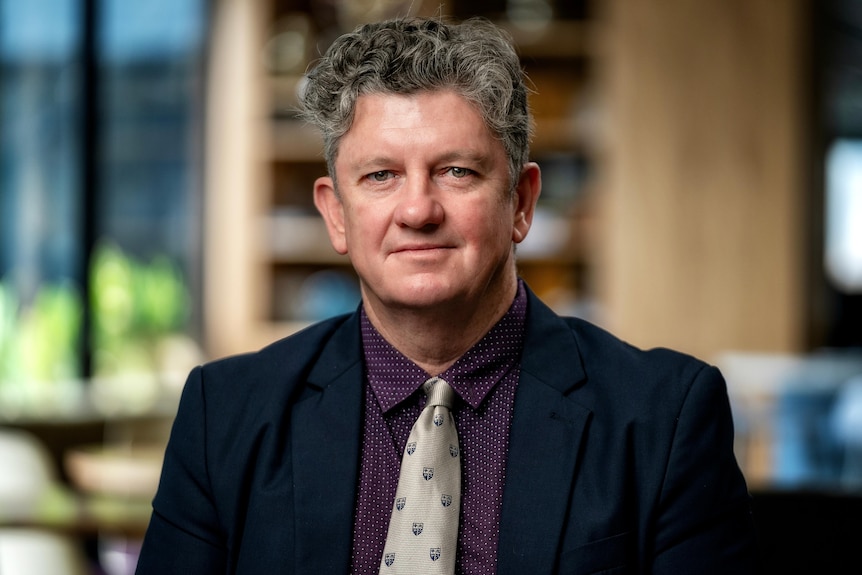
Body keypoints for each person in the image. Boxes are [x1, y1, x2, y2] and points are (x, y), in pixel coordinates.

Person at [135, 16, 757, 575]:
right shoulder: (224, 415)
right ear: (336, 215)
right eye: (380, 176)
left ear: (521, 202)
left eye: (457, 171)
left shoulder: (664, 419)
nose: (417, 210)